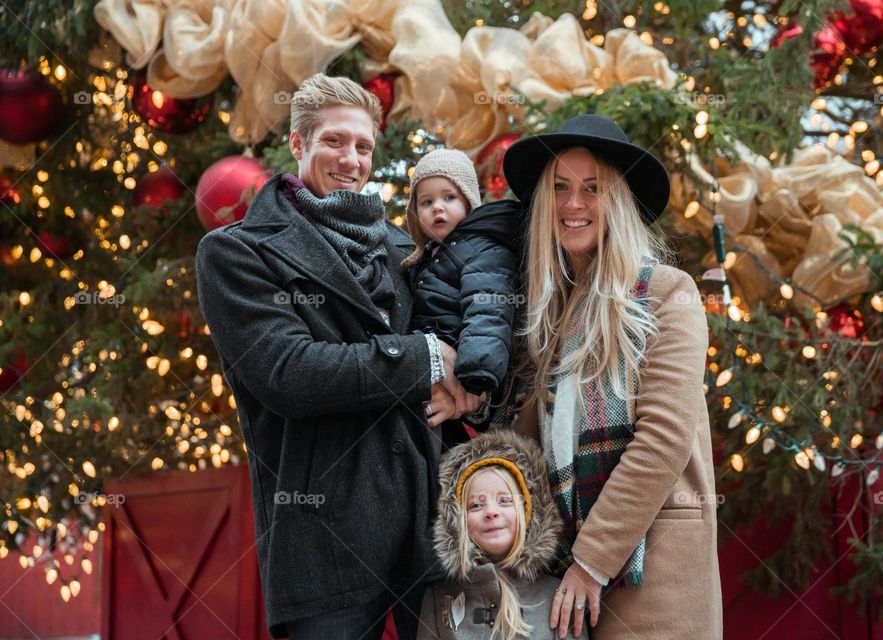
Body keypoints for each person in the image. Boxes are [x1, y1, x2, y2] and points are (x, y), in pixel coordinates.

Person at [194, 73, 483, 639]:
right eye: (333, 141)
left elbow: (463, 339)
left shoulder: (406, 249)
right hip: (325, 541)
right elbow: (288, 373)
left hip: (434, 530)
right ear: (299, 144)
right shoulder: (236, 253)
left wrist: (473, 381)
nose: (350, 159)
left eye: (363, 146)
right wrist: (422, 357)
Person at [499, 114, 722, 639]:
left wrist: (592, 562)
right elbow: (533, 445)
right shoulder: (555, 316)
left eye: (592, 189)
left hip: (653, 577)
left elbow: (662, 440)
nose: (573, 205)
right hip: (569, 586)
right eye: (560, 188)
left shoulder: (670, 293)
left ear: (617, 202)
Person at [402, 148, 522, 453]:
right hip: (428, 367)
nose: (437, 208)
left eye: (449, 198)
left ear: (469, 203)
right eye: (426, 202)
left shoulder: (483, 249)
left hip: (466, 372)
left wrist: (476, 371)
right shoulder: (427, 257)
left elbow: (488, 307)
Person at [417, 429, 587, 640]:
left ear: (528, 513)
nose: (490, 512)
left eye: (505, 501)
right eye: (476, 505)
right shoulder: (437, 597)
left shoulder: (558, 593)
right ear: (457, 521)